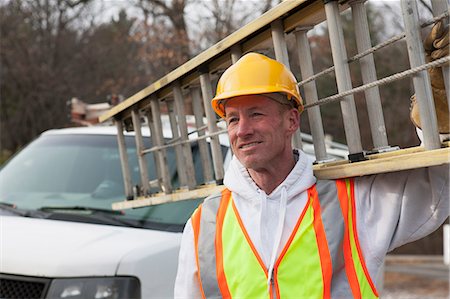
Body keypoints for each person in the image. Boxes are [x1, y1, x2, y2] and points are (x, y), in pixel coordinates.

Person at [174, 22, 449, 298]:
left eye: (256, 114)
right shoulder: (203, 225)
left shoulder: (353, 204)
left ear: (291, 120)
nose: (242, 130)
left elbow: (437, 186)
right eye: (233, 119)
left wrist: (440, 122)